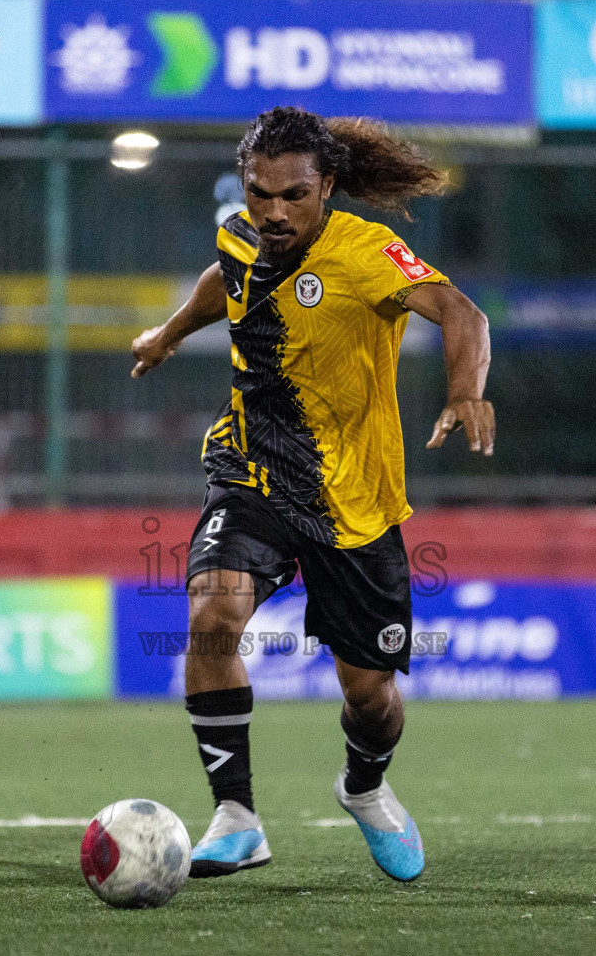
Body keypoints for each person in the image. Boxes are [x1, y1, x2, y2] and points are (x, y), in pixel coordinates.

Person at [130, 106, 493, 883]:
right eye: (260, 194)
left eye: (293, 195)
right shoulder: (242, 234)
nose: (274, 212)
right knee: (211, 611)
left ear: (326, 186)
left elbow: (462, 311)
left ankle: (363, 788)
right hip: (252, 472)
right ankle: (236, 814)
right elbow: (219, 282)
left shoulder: (367, 254)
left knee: (372, 697)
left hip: (353, 503)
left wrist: (465, 390)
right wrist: (167, 334)